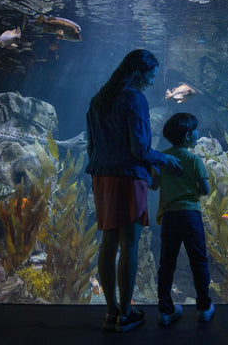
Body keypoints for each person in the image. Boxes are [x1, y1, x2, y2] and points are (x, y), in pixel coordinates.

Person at [85, 49, 181, 333]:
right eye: (151, 73)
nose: (153, 80)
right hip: (128, 178)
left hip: (101, 176)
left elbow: (92, 146)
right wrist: (165, 159)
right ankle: (126, 315)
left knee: (108, 242)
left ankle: (111, 311)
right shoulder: (135, 99)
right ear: (139, 71)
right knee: (129, 244)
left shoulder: (97, 101)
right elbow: (139, 148)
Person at [152, 112, 215, 326]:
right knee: (198, 261)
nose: (198, 132)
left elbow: (153, 184)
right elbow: (205, 190)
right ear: (189, 135)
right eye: (196, 129)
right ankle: (204, 307)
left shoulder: (162, 158)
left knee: (166, 263)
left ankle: (166, 310)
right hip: (191, 216)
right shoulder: (195, 160)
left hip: (170, 216)